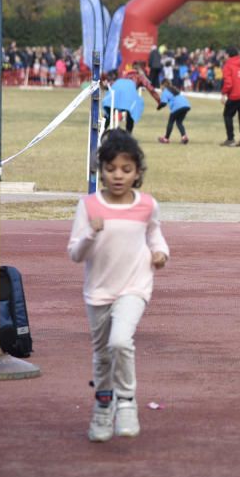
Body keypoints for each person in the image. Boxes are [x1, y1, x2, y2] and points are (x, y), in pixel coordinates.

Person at [68, 130, 169, 442]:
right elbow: (75, 254)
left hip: (135, 286)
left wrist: (161, 252)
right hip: (98, 291)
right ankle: (102, 408)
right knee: (102, 355)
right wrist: (90, 234)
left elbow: (154, 234)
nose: (118, 176)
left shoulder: (147, 205)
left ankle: (126, 401)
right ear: (101, 170)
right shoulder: (89, 206)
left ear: (137, 172)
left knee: (120, 342)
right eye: (111, 169)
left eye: (126, 170)